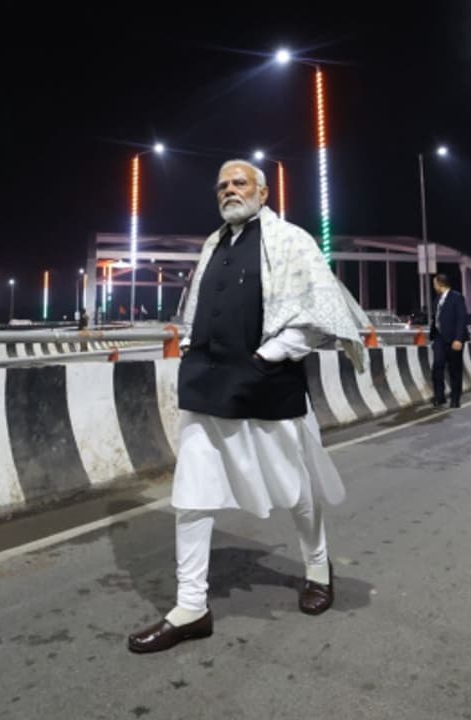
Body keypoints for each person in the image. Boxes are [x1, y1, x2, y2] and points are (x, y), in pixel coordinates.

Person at [127, 159, 368, 654]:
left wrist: (266, 357)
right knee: (191, 496)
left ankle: (318, 569)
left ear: (262, 190)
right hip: (207, 385)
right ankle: (191, 606)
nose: (229, 191)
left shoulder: (292, 241)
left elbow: (314, 313)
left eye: (239, 183)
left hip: (266, 384)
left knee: (296, 488)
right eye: (222, 185)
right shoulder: (212, 244)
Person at [429, 273, 469, 409]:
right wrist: (433, 337)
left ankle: (455, 399)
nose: (434, 286)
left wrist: (458, 339)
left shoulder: (457, 297)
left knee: (455, 370)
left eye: (434, 284)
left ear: (440, 284)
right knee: (437, 368)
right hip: (439, 339)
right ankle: (439, 397)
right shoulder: (437, 300)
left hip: (453, 339)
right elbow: (436, 320)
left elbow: (461, 319)